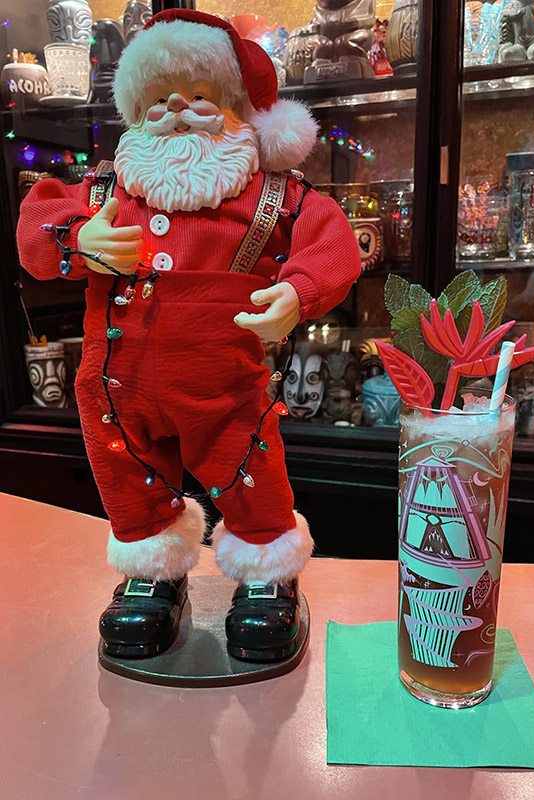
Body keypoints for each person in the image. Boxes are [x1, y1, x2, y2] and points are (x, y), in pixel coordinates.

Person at [17, 9, 361, 662]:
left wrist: (298, 291)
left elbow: (330, 238)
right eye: (157, 99)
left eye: (198, 96)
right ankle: (151, 571)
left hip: (225, 388)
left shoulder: (271, 194)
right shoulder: (107, 188)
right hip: (118, 388)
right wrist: (79, 237)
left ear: (236, 110)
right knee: (129, 482)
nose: (175, 110)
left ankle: (267, 570)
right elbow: (39, 219)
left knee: (253, 479)